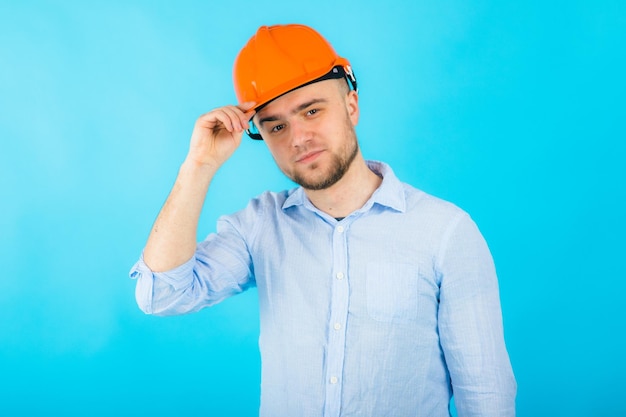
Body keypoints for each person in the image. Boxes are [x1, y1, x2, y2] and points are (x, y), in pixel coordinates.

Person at [130, 24, 516, 417]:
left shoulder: (445, 232)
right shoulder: (260, 226)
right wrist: (199, 165)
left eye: (312, 110)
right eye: (276, 126)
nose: (298, 138)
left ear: (351, 105)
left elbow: (486, 395)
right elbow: (161, 294)